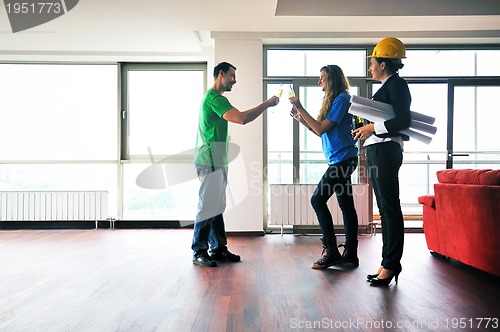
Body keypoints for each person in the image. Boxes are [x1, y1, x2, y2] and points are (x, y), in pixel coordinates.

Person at [192, 61, 279, 267]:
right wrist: (267, 104)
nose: (235, 80)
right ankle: (199, 251)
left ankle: (219, 248)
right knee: (207, 207)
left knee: (217, 206)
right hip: (209, 160)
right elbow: (241, 118)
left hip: (218, 160)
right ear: (220, 74)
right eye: (232, 76)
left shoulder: (215, 99)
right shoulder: (214, 98)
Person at [352, 37, 411, 286]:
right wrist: (363, 127)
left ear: (384, 64)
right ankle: (387, 262)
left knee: (389, 208)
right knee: (385, 209)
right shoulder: (387, 85)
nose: (370, 68)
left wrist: (372, 128)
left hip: (386, 150)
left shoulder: (397, 85)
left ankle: (391, 264)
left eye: (372, 62)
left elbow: (403, 120)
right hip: (378, 150)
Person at [289, 64, 359, 270]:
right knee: (346, 205)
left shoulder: (342, 98)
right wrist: (302, 120)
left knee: (317, 199)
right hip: (340, 160)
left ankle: (331, 252)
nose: (320, 81)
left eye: (323, 77)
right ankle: (350, 255)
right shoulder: (335, 101)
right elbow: (321, 131)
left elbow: (320, 129)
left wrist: (300, 106)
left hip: (343, 160)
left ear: (333, 79)